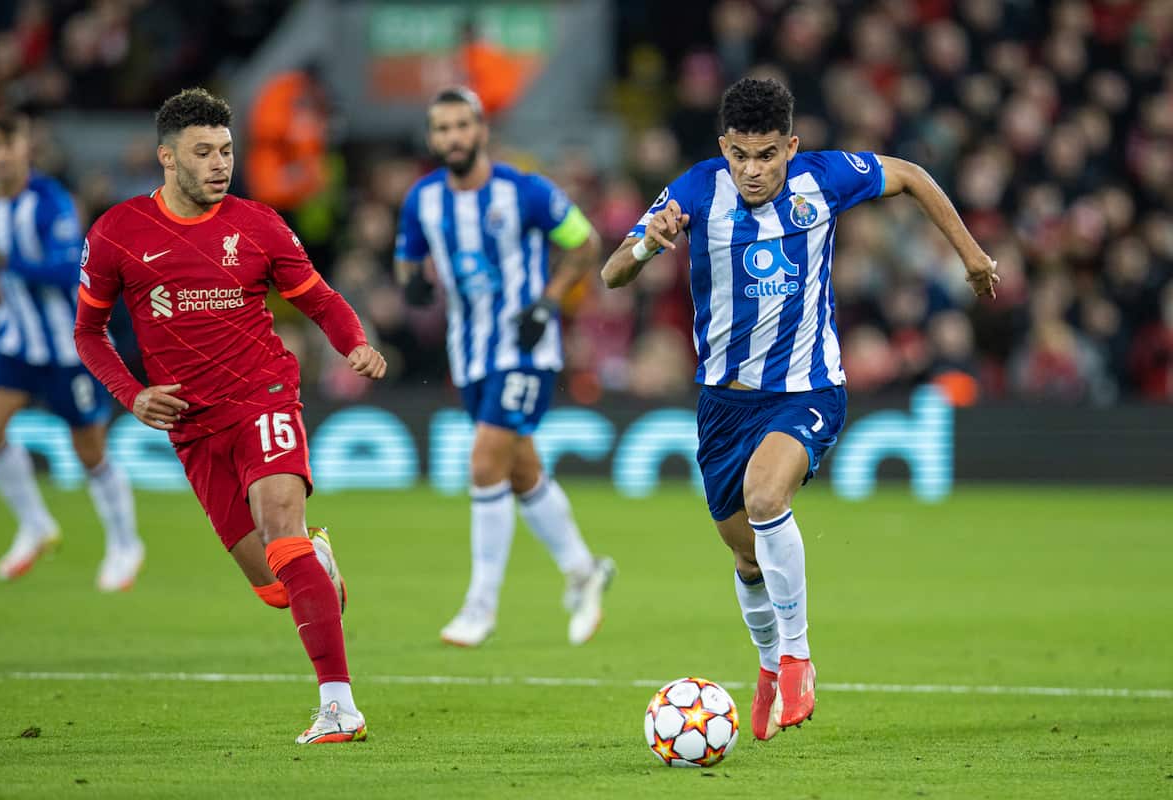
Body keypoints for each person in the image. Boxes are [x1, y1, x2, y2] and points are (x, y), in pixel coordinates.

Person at [601, 78, 998, 739]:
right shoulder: (696, 189)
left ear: (791, 146)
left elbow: (912, 175)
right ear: (723, 147)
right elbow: (613, 273)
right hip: (724, 404)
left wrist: (972, 256)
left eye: (766, 156)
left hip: (809, 387)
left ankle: (798, 658)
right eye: (739, 156)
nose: (752, 171)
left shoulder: (827, 178)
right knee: (747, 557)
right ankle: (766, 664)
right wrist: (649, 242)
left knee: (764, 498)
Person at [73, 88, 387, 744]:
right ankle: (315, 557)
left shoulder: (260, 224)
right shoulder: (117, 234)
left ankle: (339, 707)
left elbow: (322, 300)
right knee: (275, 584)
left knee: (281, 532)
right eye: (204, 152)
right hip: (192, 427)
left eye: (227, 150)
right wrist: (130, 394)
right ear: (167, 157)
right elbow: (89, 334)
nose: (220, 163)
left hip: (264, 397)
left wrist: (353, 342)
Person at [395, 87, 615, 648]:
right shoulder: (422, 199)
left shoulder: (526, 191)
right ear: (432, 137)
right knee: (521, 471)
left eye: (461, 126)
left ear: (481, 130)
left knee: (485, 459)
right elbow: (407, 263)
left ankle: (480, 606)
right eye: (441, 129)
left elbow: (585, 243)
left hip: (525, 348)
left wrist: (548, 302)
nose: (452, 138)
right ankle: (583, 569)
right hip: (469, 355)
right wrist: (413, 284)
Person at [0, 112, 143, 591]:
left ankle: (126, 542)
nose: (0, 156)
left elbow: (67, 271)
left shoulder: (52, 203)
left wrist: (2, 262)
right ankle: (35, 524)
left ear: (26, 150)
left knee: (89, 452)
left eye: (8, 146)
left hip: (72, 349)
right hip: (17, 343)